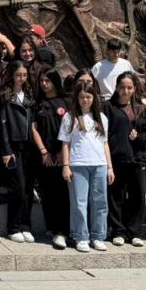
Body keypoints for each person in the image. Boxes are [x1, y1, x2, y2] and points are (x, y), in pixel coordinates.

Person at [59, 79, 114, 252]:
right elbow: (65, 144)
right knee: (79, 202)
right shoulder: (70, 117)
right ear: (77, 98)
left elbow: (105, 144)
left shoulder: (101, 118)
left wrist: (110, 167)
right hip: (78, 164)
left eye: (88, 97)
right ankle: (81, 236)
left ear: (94, 98)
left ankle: (98, 236)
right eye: (82, 97)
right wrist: (66, 165)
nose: (85, 100)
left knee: (100, 202)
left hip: (99, 164)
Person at [105, 72, 146, 247]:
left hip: (136, 158)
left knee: (137, 196)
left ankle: (134, 232)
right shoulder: (108, 107)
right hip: (116, 159)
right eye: (122, 87)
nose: (125, 91)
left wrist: (139, 137)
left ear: (134, 89)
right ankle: (117, 231)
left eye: (129, 88)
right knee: (115, 196)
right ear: (116, 88)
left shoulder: (141, 108)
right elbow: (104, 133)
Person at [0, 62, 37, 243]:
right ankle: (13, 227)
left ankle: (25, 225)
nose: (22, 78)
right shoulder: (5, 95)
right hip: (13, 147)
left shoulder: (29, 95)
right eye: (19, 74)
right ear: (12, 75)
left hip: (29, 146)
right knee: (18, 188)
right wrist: (6, 150)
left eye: (24, 75)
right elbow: (3, 125)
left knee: (28, 189)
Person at [35, 71, 72, 248]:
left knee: (63, 195)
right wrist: (43, 151)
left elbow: (71, 129)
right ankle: (53, 228)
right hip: (45, 156)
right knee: (47, 193)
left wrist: (61, 153)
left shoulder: (67, 102)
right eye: (42, 80)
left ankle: (63, 231)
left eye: (47, 80)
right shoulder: (38, 103)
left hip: (62, 155)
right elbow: (33, 128)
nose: (44, 84)